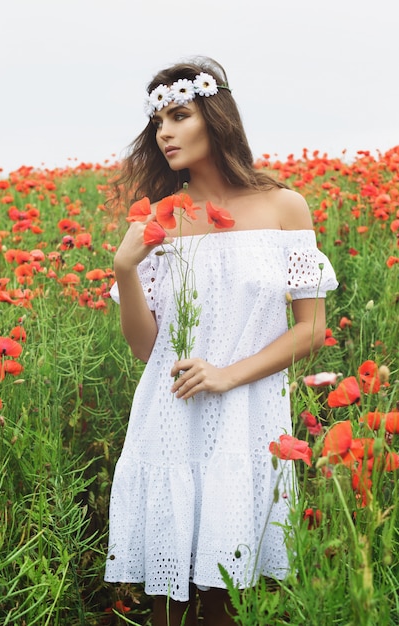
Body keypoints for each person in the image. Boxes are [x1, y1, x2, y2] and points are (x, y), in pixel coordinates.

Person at [105, 57, 338, 625]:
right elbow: (144, 348)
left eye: (179, 115)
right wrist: (125, 268)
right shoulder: (159, 221)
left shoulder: (285, 206)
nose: (164, 131)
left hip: (247, 416)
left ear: (215, 118)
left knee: (230, 599)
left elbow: (312, 327)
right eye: (158, 119)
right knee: (166, 603)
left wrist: (228, 374)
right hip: (170, 414)